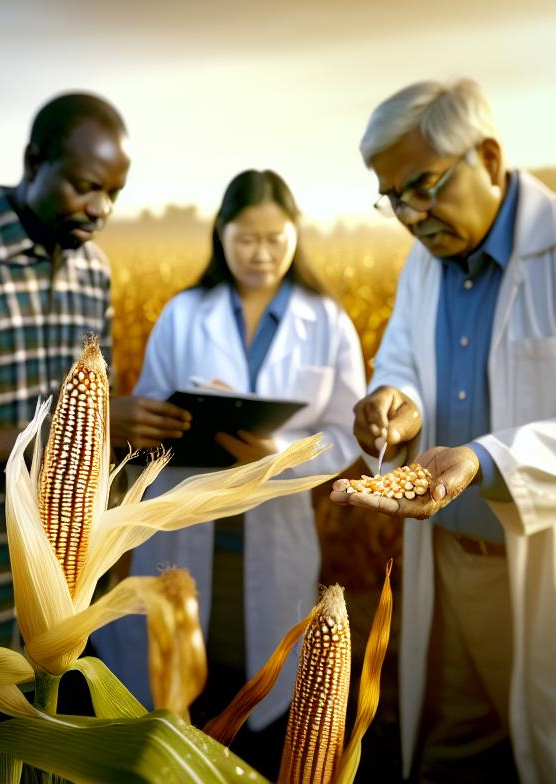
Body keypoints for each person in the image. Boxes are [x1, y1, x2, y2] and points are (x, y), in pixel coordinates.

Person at [330, 80, 556, 783]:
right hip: (449, 577)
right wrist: (392, 399)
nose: (408, 216)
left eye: (421, 188)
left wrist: (485, 462)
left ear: (489, 158)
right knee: (447, 761)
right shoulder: (425, 266)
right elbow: (403, 357)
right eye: (392, 197)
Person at [0, 91, 191, 654]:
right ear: (33, 162)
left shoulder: (92, 271)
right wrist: (69, 432)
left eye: (114, 194)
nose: (101, 210)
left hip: (67, 586)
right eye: (86, 186)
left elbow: (98, 409)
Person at [93, 169, 364, 773]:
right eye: (247, 239)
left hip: (274, 530)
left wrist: (281, 448)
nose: (262, 254)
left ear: (297, 234)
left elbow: (348, 431)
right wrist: (156, 421)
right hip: (186, 521)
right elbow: (150, 413)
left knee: (263, 691)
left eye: (276, 238)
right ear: (221, 235)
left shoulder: (327, 320)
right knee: (180, 687)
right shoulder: (185, 312)